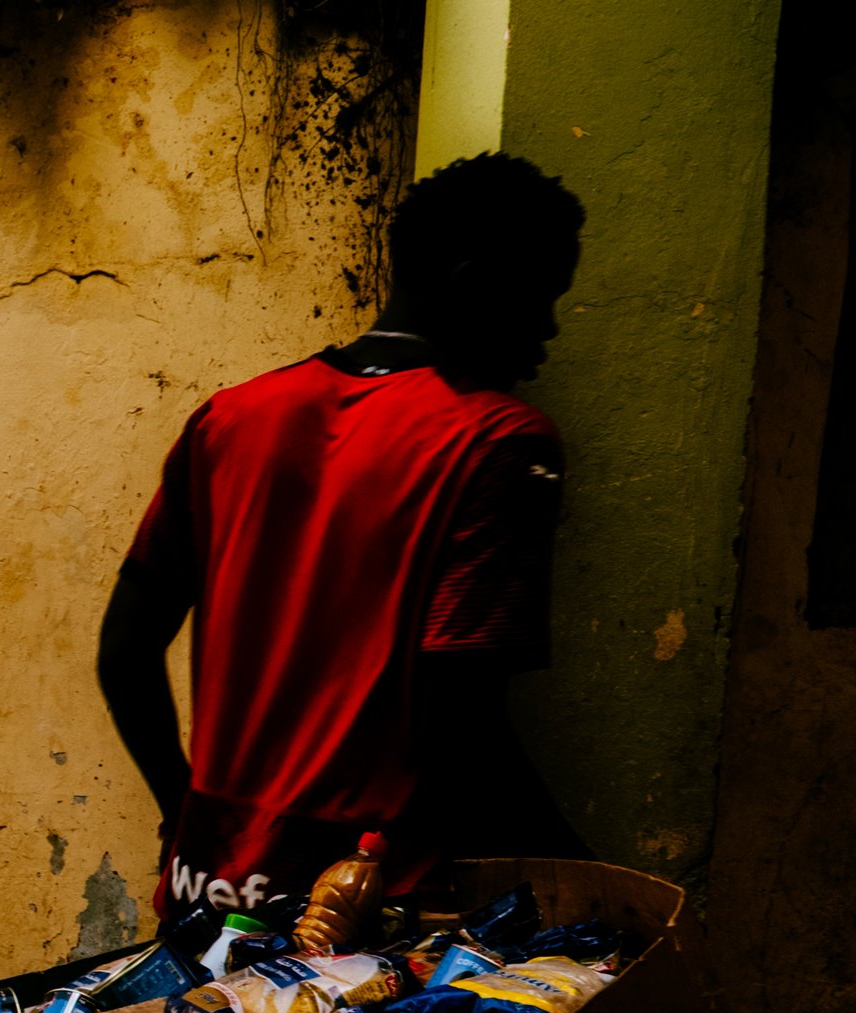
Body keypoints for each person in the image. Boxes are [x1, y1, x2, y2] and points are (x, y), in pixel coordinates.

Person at [98, 152, 593, 919]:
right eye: (540, 298)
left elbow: (124, 652)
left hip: (209, 884)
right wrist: (592, 884)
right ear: (472, 285)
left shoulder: (233, 418)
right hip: (370, 906)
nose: (549, 330)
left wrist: (184, 816)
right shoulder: (499, 442)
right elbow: (465, 724)